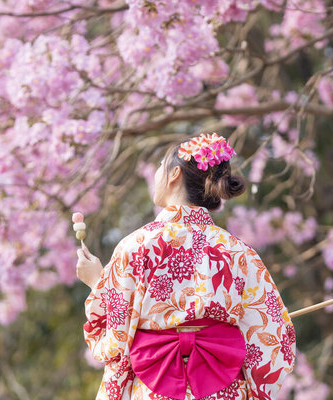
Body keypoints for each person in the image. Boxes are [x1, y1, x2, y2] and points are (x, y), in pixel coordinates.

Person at [76, 133, 296, 400]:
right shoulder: (239, 252)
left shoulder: (137, 245)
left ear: (174, 174)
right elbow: (273, 336)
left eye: (160, 165)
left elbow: (115, 339)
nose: (157, 172)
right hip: (224, 391)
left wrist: (98, 282)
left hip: (153, 387)